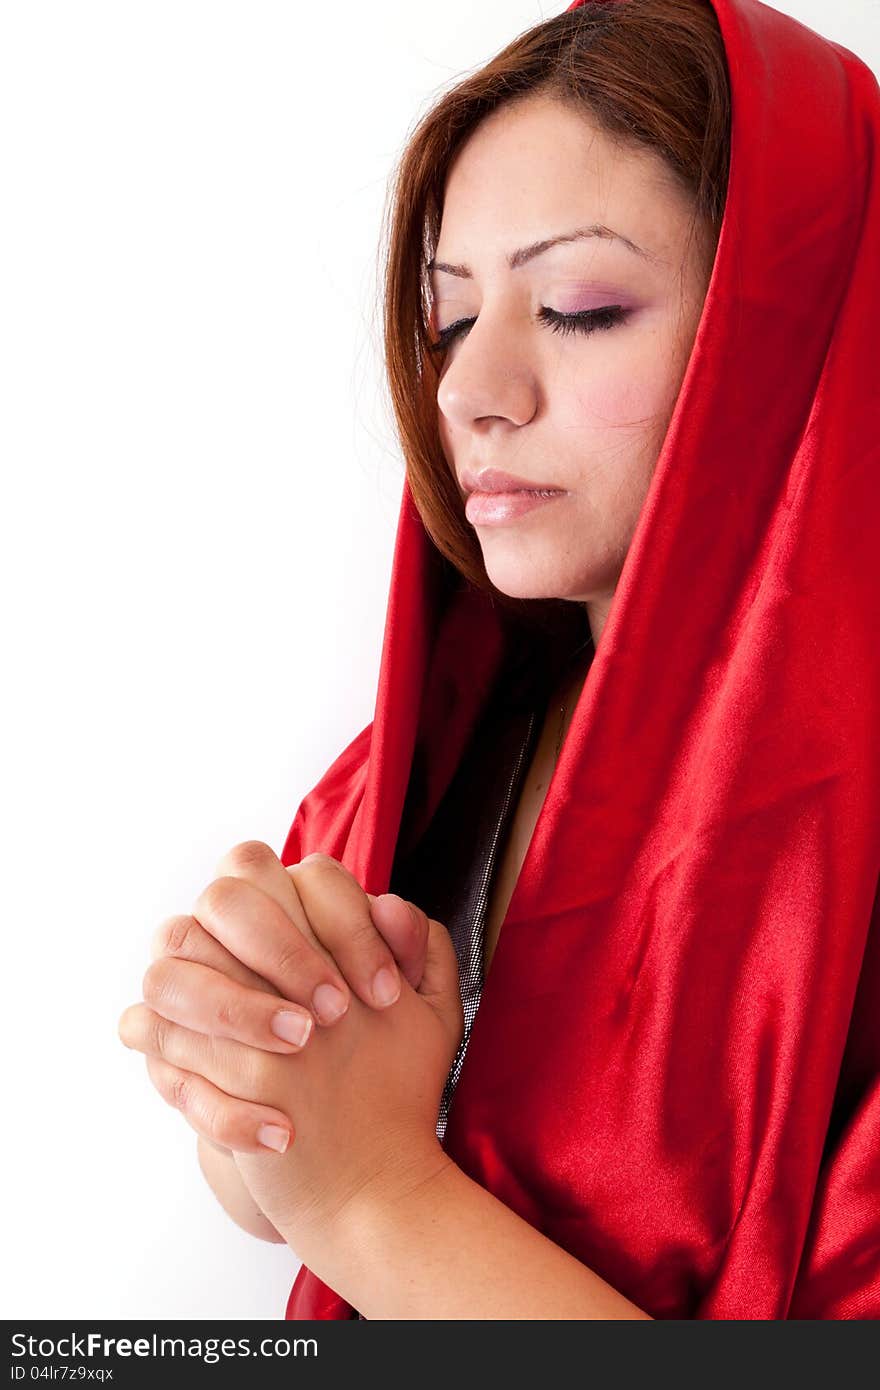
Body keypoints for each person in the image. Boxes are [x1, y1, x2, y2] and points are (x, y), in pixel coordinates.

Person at [117, 0, 880, 1319]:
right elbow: (285, 1170)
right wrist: (242, 1055)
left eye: (579, 307)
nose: (473, 389)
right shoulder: (425, 757)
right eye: (447, 319)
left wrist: (371, 1192)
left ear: (797, 331)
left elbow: (362, 1185)